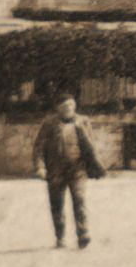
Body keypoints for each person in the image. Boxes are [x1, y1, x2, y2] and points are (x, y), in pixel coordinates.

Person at [31, 93, 103, 249]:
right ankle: (60, 237)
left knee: (80, 199)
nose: (68, 109)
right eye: (64, 106)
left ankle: (83, 234)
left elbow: (91, 144)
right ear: (58, 108)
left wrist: (95, 165)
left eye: (71, 105)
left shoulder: (83, 121)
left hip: (77, 169)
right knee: (57, 204)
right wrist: (40, 167)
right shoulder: (49, 124)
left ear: (75, 106)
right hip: (55, 170)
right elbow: (38, 148)